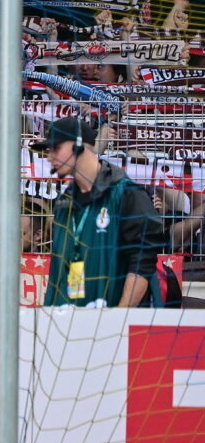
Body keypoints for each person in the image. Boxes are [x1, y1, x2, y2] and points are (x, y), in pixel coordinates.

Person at [44, 116, 163, 307]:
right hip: (73, 319)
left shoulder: (126, 194)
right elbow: (66, 264)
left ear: (78, 145)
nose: (50, 156)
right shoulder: (64, 202)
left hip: (116, 322)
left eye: (55, 148)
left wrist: (119, 316)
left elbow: (142, 263)